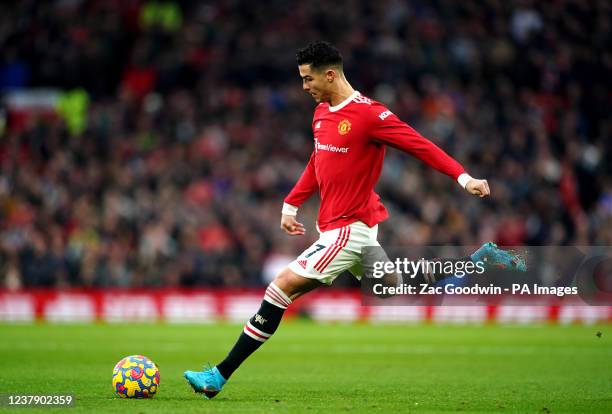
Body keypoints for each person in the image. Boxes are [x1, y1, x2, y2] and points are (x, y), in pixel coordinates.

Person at [184, 41, 524, 399]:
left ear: (330, 74)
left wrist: (463, 177)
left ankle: (218, 375)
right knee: (396, 287)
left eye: (307, 78)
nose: (304, 87)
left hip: (350, 229)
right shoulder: (320, 113)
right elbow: (318, 163)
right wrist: (291, 204)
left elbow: (419, 144)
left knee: (280, 286)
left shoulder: (369, 115)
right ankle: (478, 261)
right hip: (337, 226)